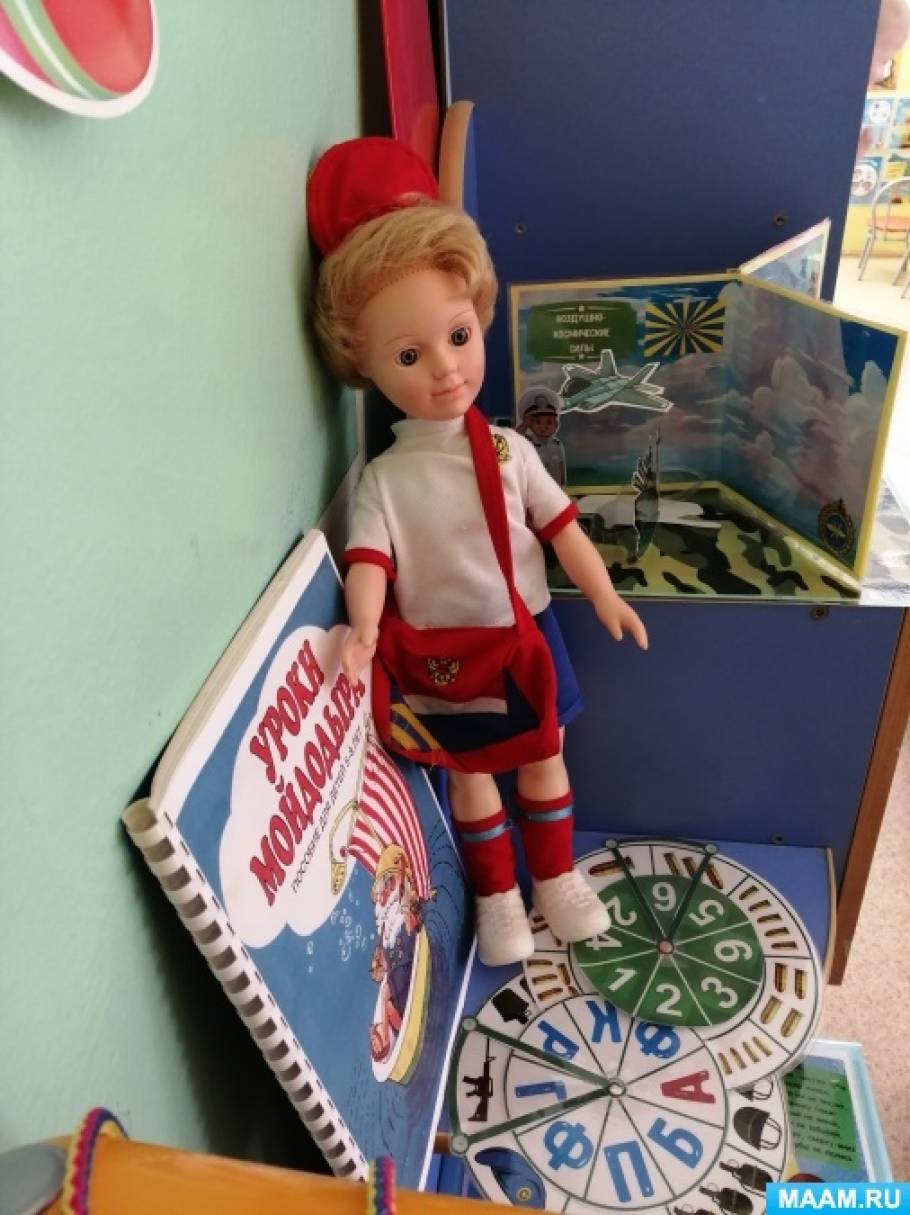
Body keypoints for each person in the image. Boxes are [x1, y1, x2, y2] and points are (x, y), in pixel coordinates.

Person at [307, 137, 648, 967]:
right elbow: (370, 561)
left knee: (545, 751)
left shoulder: (507, 450)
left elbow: (561, 527)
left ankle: (554, 876)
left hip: (524, 630)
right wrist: (363, 626)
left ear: (479, 316)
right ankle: (499, 897)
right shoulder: (385, 478)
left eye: (458, 335)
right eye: (409, 355)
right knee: (469, 773)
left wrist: (603, 593)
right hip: (443, 654)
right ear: (364, 365)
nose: (445, 369)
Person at [516, 386, 567, 487]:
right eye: (538, 422)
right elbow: (514, 439)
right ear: (530, 424)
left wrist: (563, 486)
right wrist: (524, 425)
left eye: (549, 422)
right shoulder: (527, 442)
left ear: (556, 425)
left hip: (555, 489)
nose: (543, 427)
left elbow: (562, 467)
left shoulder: (557, 444)